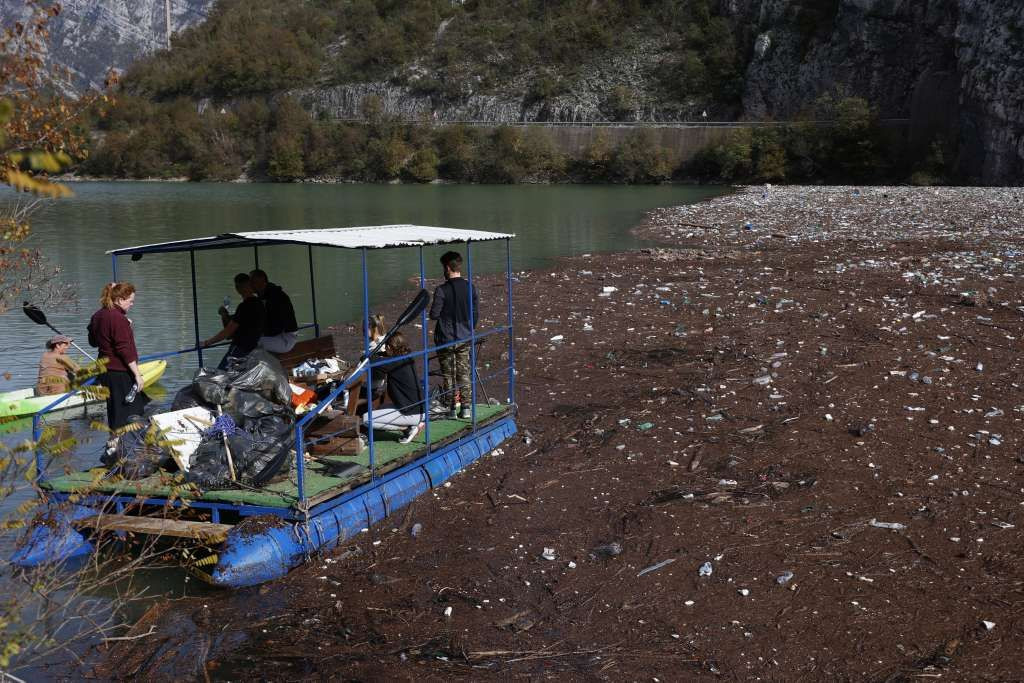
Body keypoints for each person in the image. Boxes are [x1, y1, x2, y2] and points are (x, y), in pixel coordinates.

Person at [87, 282, 149, 431]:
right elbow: (124, 349)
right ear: (120, 299)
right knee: (128, 413)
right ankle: (123, 441)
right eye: (130, 301)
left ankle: (116, 439)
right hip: (120, 371)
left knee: (115, 411)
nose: (132, 304)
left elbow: (93, 342)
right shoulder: (117, 318)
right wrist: (137, 374)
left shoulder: (98, 315)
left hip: (105, 371)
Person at [429, 250, 478, 420]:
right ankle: (466, 408)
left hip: (446, 338)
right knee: (464, 373)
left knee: (448, 375)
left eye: (443, 267)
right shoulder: (470, 287)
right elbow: (475, 313)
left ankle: (451, 409)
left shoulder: (441, 290)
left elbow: (434, 314)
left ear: (447, 267)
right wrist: (469, 328)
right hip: (465, 336)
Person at [362, 331, 424, 444]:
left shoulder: (393, 362)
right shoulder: (406, 357)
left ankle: (407, 428)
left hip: (410, 412)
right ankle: (411, 424)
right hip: (416, 407)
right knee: (379, 409)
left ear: (390, 347)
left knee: (366, 419)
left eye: (386, 347)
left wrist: (369, 354)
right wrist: (382, 353)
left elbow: (369, 360)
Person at [202, 273, 266, 368]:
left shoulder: (244, 307)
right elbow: (239, 324)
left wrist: (207, 343)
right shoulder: (259, 303)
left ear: (237, 289)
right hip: (253, 347)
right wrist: (225, 315)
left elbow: (227, 332)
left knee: (220, 372)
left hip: (240, 348)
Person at [249, 269, 298, 353]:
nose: (250, 285)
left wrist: (259, 333)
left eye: (252, 282)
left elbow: (277, 326)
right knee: (249, 340)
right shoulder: (263, 297)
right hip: (277, 336)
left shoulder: (276, 297)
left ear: (262, 282)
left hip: (286, 337)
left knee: (251, 343)